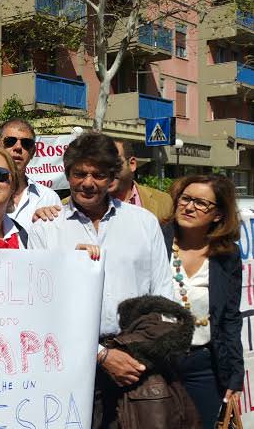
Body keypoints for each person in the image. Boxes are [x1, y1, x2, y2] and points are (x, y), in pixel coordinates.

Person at [27, 131, 173, 428]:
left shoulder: (143, 223)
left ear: (112, 178)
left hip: (137, 363)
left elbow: (163, 295)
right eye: (80, 173)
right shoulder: (45, 229)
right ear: (68, 174)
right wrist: (102, 356)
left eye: (98, 174)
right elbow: (42, 308)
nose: (88, 182)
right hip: (72, 364)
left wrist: (137, 355)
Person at [162, 174, 243, 427]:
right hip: (157, 365)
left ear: (218, 214)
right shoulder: (155, 239)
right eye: (185, 199)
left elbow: (229, 317)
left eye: (201, 203)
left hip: (203, 368)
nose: (189, 207)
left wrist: (235, 374)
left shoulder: (226, 255)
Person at [110, 140, 173, 220]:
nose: (108, 170)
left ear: (132, 164)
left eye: (115, 163)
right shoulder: (91, 204)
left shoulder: (163, 201)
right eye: (102, 164)